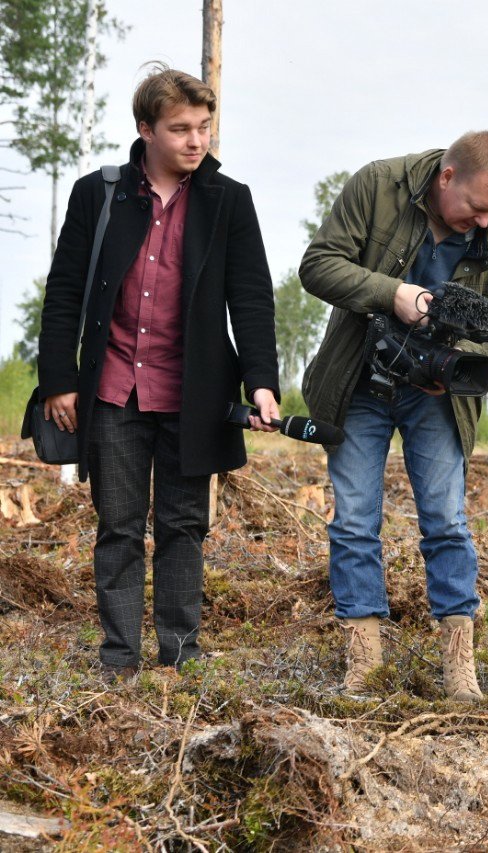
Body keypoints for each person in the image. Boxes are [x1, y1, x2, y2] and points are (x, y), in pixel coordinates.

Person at [37, 64, 280, 681]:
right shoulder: (100, 192)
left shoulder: (229, 201)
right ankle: (119, 658)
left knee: (183, 526)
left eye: (204, 127)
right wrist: (59, 378)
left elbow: (250, 297)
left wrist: (262, 382)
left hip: (192, 393)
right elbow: (65, 289)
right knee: (117, 526)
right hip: (114, 387)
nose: (196, 141)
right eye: (180, 129)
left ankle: (180, 654)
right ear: (145, 129)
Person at [300, 131, 488, 700]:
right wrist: (392, 293)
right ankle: (364, 666)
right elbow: (318, 265)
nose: (483, 223)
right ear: (446, 177)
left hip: (437, 397)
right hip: (359, 381)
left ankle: (459, 671)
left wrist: (455, 354)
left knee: (447, 521)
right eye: (476, 209)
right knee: (354, 521)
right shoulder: (378, 186)